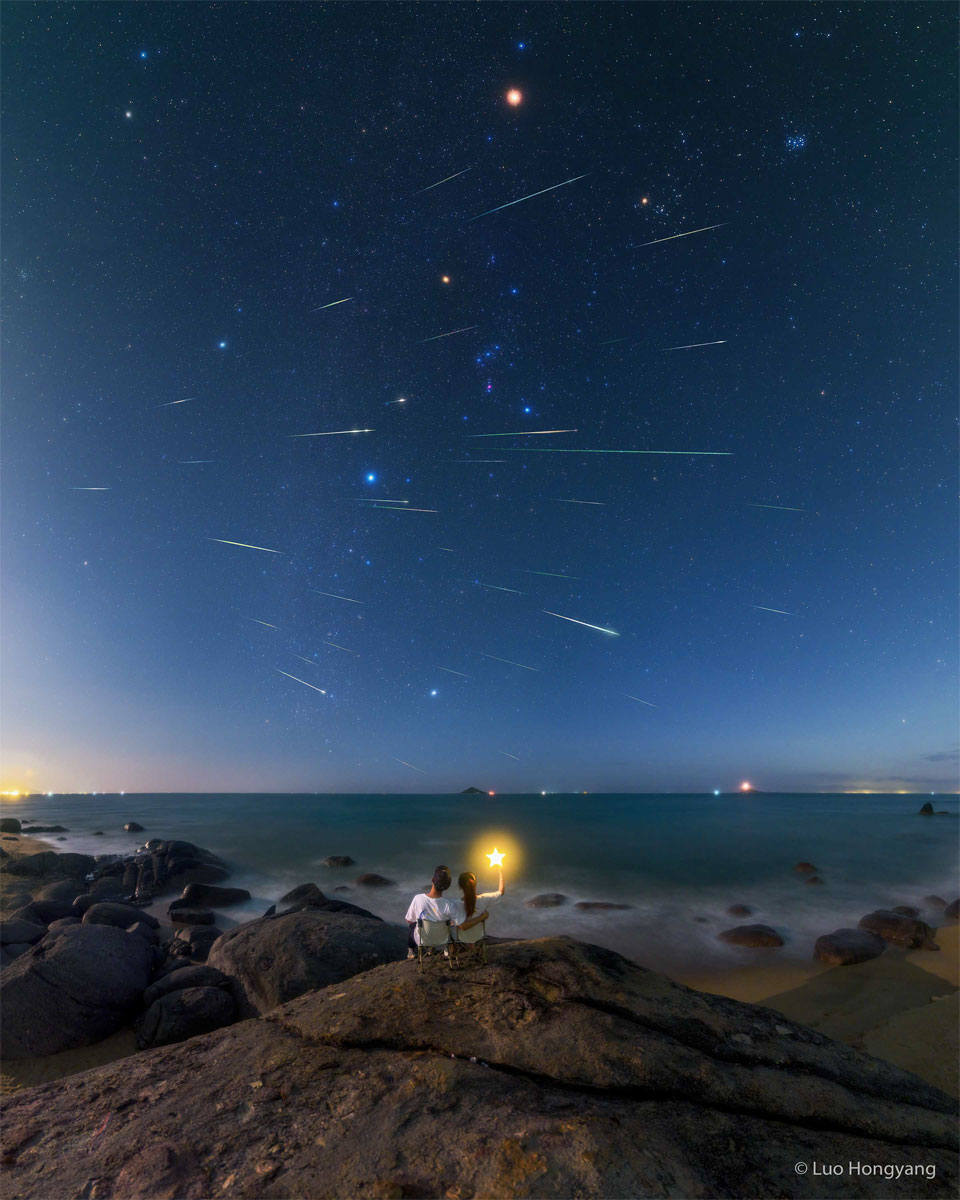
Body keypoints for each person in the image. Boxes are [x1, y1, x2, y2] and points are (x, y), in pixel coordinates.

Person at [453, 865, 505, 937]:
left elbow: (463, 926)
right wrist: (501, 872)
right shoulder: (483, 899)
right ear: (475, 883)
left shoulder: (456, 904)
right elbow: (501, 892)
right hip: (478, 939)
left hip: (462, 942)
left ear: (461, 886)